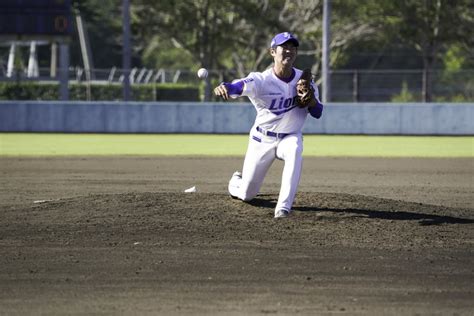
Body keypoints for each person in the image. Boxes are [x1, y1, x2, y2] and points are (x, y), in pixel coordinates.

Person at [214, 32, 323, 218]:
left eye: (293, 47)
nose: (289, 50)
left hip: (290, 136)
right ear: (273, 52)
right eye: (284, 47)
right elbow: (238, 87)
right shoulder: (261, 80)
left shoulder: (305, 80)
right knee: (247, 195)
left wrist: (311, 101)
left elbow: (318, 112)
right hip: (262, 139)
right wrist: (225, 86)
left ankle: (283, 208)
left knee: (295, 149)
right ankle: (235, 182)